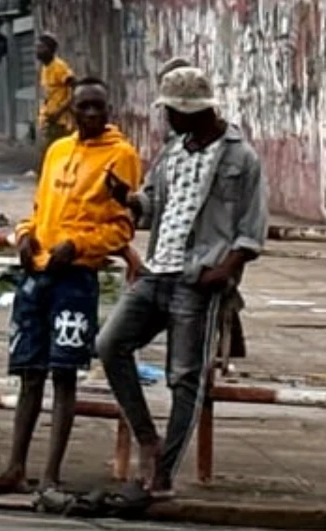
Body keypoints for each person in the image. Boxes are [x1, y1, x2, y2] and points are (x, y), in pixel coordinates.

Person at [98, 63, 268, 498]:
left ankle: (164, 471)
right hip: (157, 270)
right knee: (110, 344)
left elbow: (252, 228)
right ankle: (147, 439)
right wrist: (128, 199)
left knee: (184, 378)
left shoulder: (240, 157)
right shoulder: (173, 151)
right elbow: (153, 204)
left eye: (172, 111)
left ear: (192, 112)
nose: (167, 119)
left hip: (198, 277)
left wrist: (225, 270)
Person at [0, 78, 141, 498]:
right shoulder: (57, 151)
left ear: (108, 110)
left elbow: (122, 227)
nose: (89, 115)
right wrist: (25, 235)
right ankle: (15, 467)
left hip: (75, 277)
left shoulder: (121, 156)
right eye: (82, 108)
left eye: (97, 108)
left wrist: (79, 245)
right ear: (71, 112)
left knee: (64, 374)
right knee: (29, 371)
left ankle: (50, 474)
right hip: (38, 273)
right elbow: (38, 208)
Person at [35, 34, 75, 143]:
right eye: (37, 47)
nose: (38, 51)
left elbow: (74, 89)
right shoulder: (45, 68)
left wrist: (60, 110)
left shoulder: (59, 66)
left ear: (50, 49)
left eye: (41, 47)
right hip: (50, 119)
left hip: (61, 121)